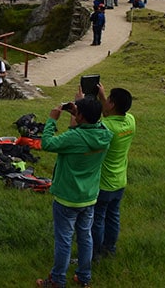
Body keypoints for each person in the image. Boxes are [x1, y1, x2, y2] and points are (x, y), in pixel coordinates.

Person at [37, 98, 113, 288]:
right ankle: (84, 277)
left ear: (81, 116)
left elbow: (46, 144)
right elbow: (89, 130)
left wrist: (52, 120)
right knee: (85, 236)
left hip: (67, 198)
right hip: (89, 196)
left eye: (78, 111)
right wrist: (77, 115)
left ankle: (57, 280)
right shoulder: (105, 134)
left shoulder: (74, 138)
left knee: (64, 240)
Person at [93, 88, 135, 258]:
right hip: (120, 181)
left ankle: (94, 254)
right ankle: (109, 249)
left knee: (97, 220)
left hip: (103, 183)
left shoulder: (106, 127)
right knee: (113, 216)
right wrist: (103, 97)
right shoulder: (130, 120)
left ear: (113, 104)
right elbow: (109, 115)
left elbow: (92, 127)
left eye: (109, 99)